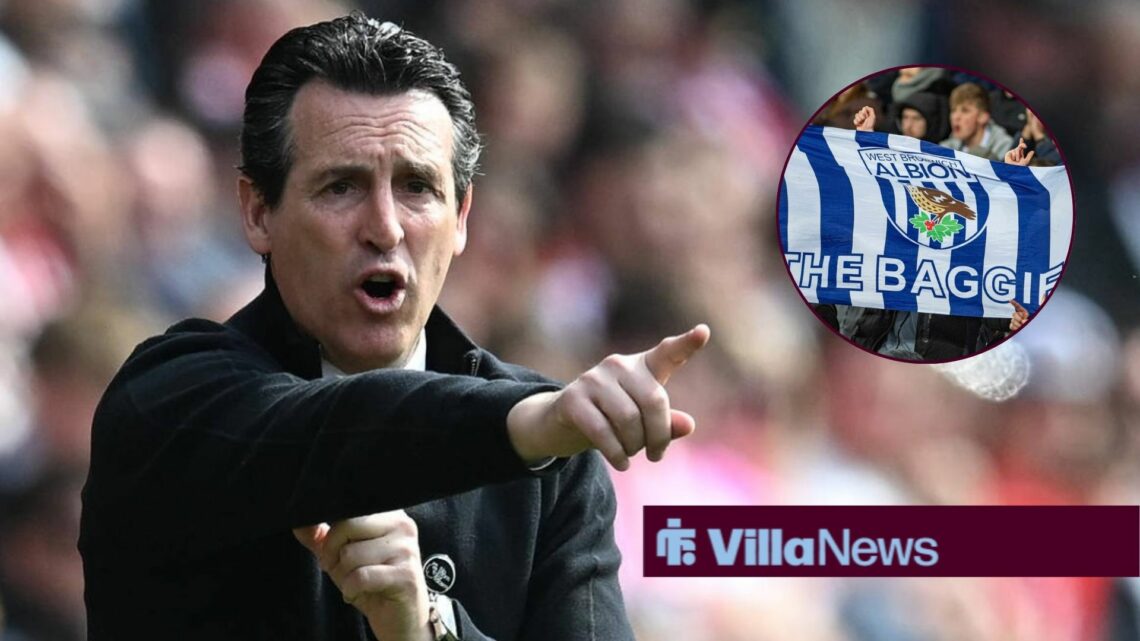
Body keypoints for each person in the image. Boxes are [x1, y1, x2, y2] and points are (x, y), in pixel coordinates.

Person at [79, 14, 710, 641]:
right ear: (258, 212)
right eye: (341, 187)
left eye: (416, 187)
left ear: (461, 217)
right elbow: (329, 429)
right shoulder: (166, 401)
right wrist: (523, 425)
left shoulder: (556, 470)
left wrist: (427, 628)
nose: (384, 228)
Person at [939, 82, 1014, 161]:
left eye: (965, 111)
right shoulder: (946, 148)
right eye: (953, 110)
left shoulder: (1005, 148)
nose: (955, 117)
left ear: (983, 117)